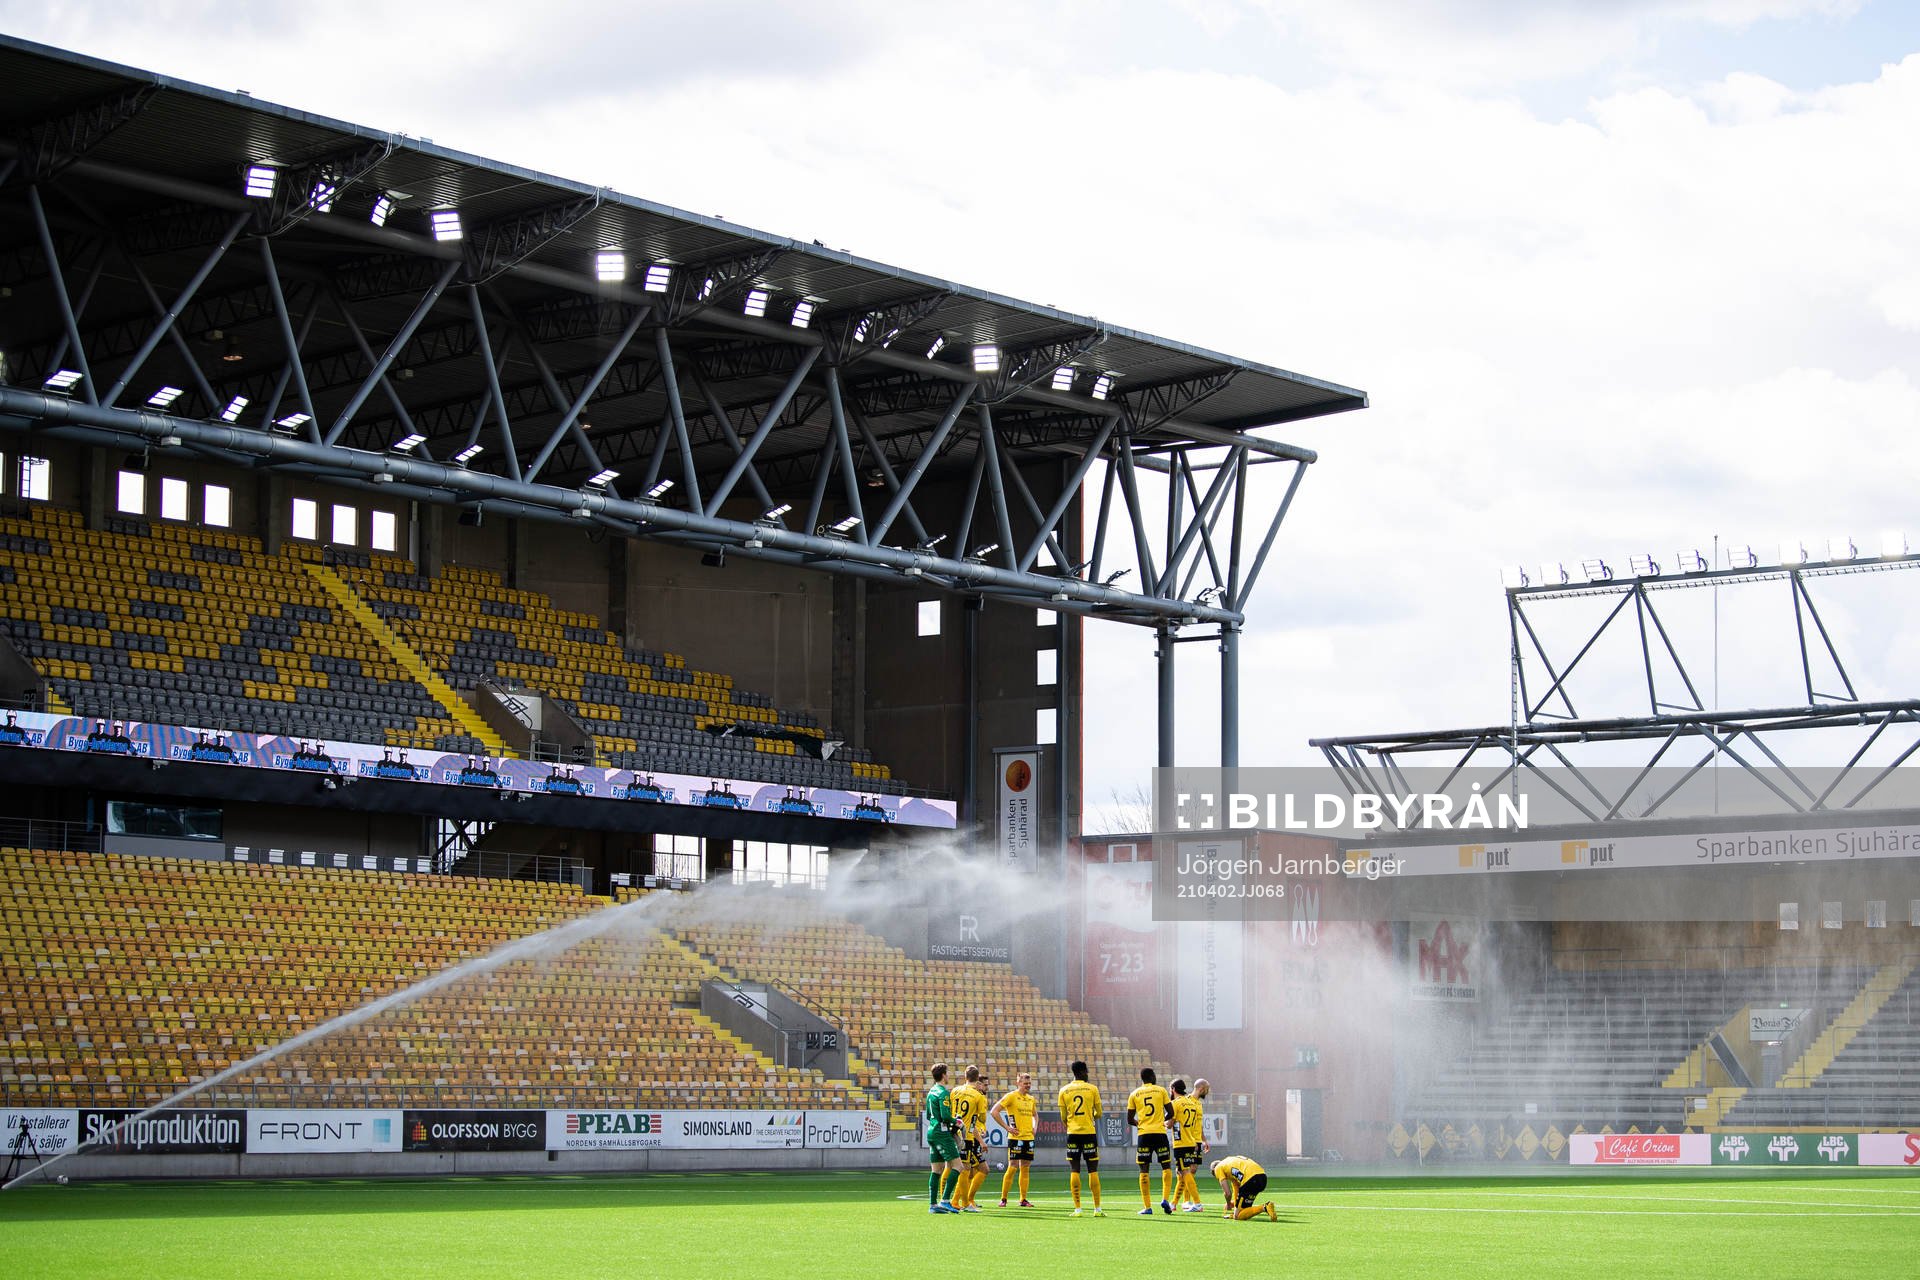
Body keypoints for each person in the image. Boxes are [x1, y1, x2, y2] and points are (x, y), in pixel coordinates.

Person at [1126, 1066, 1175, 1215]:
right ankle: (1165, 1199)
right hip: (1160, 1133)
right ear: (1152, 1077)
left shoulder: (1134, 1094)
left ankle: (1147, 1207)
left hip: (1144, 1135)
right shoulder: (1160, 1091)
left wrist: (1139, 1123)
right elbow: (1171, 1112)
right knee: (1166, 1166)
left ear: (1142, 1079)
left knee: (1143, 1169)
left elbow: (1129, 1119)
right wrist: (1161, 1120)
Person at [1058, 1060, 1104, 1217]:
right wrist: (1090, 1118)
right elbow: (1099, 1113)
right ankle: (1097, 1209)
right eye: (1086, 1071)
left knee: (1074, 1169)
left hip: (1073, 1134)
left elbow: (1063, 1117)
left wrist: (1071, 1124)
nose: (1087, 1074)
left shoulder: (1064, 1090)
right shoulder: (1092, 1089)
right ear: (1083, 1071)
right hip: (1089, 1133)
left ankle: (1077, 1209)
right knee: (1093, 1170)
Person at [991, 1072, 1038, 1207]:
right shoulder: (1011, 1096)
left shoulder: (1031, 1099)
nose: (1028, 1086)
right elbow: (994, 1111)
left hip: (1029, 1138)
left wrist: (1035, 1127)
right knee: (1013, 1167)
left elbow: (1035, 1115)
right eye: (1025, 1083)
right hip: (1016, 1138)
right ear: (1018, 1083)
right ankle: (1003, 1199)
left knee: (1025, 1168)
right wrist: (1007, 1128)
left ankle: (1023, 1199)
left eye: (1029, 1083)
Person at [948, 1066, 989, 1211]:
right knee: (964, 1169)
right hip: (967, 1136)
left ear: (965, 1076)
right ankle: (964, 1203)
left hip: (953, 1132)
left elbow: (950, 1110)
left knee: (956, 1167)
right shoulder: (978, 1096)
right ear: (977, 1078)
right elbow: (981, 1118)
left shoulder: (954, 1091)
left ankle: (954, 1201)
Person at [924, 1062, 961, 1213]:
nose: (949, 1075)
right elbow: (946, 1116)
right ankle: (945, 1200)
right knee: (959, 1166)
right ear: (944, 1075)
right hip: (941, 1133)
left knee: (936, 1170)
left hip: (931, 1132)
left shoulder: (931, 1091)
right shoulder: (943, 1092)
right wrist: (956, 1122)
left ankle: (933, 1205)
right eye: (948, 1073)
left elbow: (928, 1115)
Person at [1170, 1078, 1210, 1211]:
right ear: (1201, 1089)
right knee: (1184, 1171)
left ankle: (1177, 1202)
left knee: (1190, 1171)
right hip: (1189, 1141)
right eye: (1207, 1089)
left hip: (1195, 1141)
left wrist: (1204, 1140)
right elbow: (1179, 1124)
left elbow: (1199, 1125)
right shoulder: (1186, 1101)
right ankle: (1185, 1201)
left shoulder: (1199, 1104)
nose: (1208, 1092)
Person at [1211, 1155, 1279, 1221]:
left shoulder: (1217, 1168)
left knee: (1237, 1216)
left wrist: (1228, 1204)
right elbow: (1236, 1188)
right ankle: (1265, 1207)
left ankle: (1265, 1207)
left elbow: (1228, 1193)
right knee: (1243, 1211)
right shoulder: (1228, 1162)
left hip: (1250, 1179)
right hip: (1262, 1177)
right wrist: (1235, 1205)